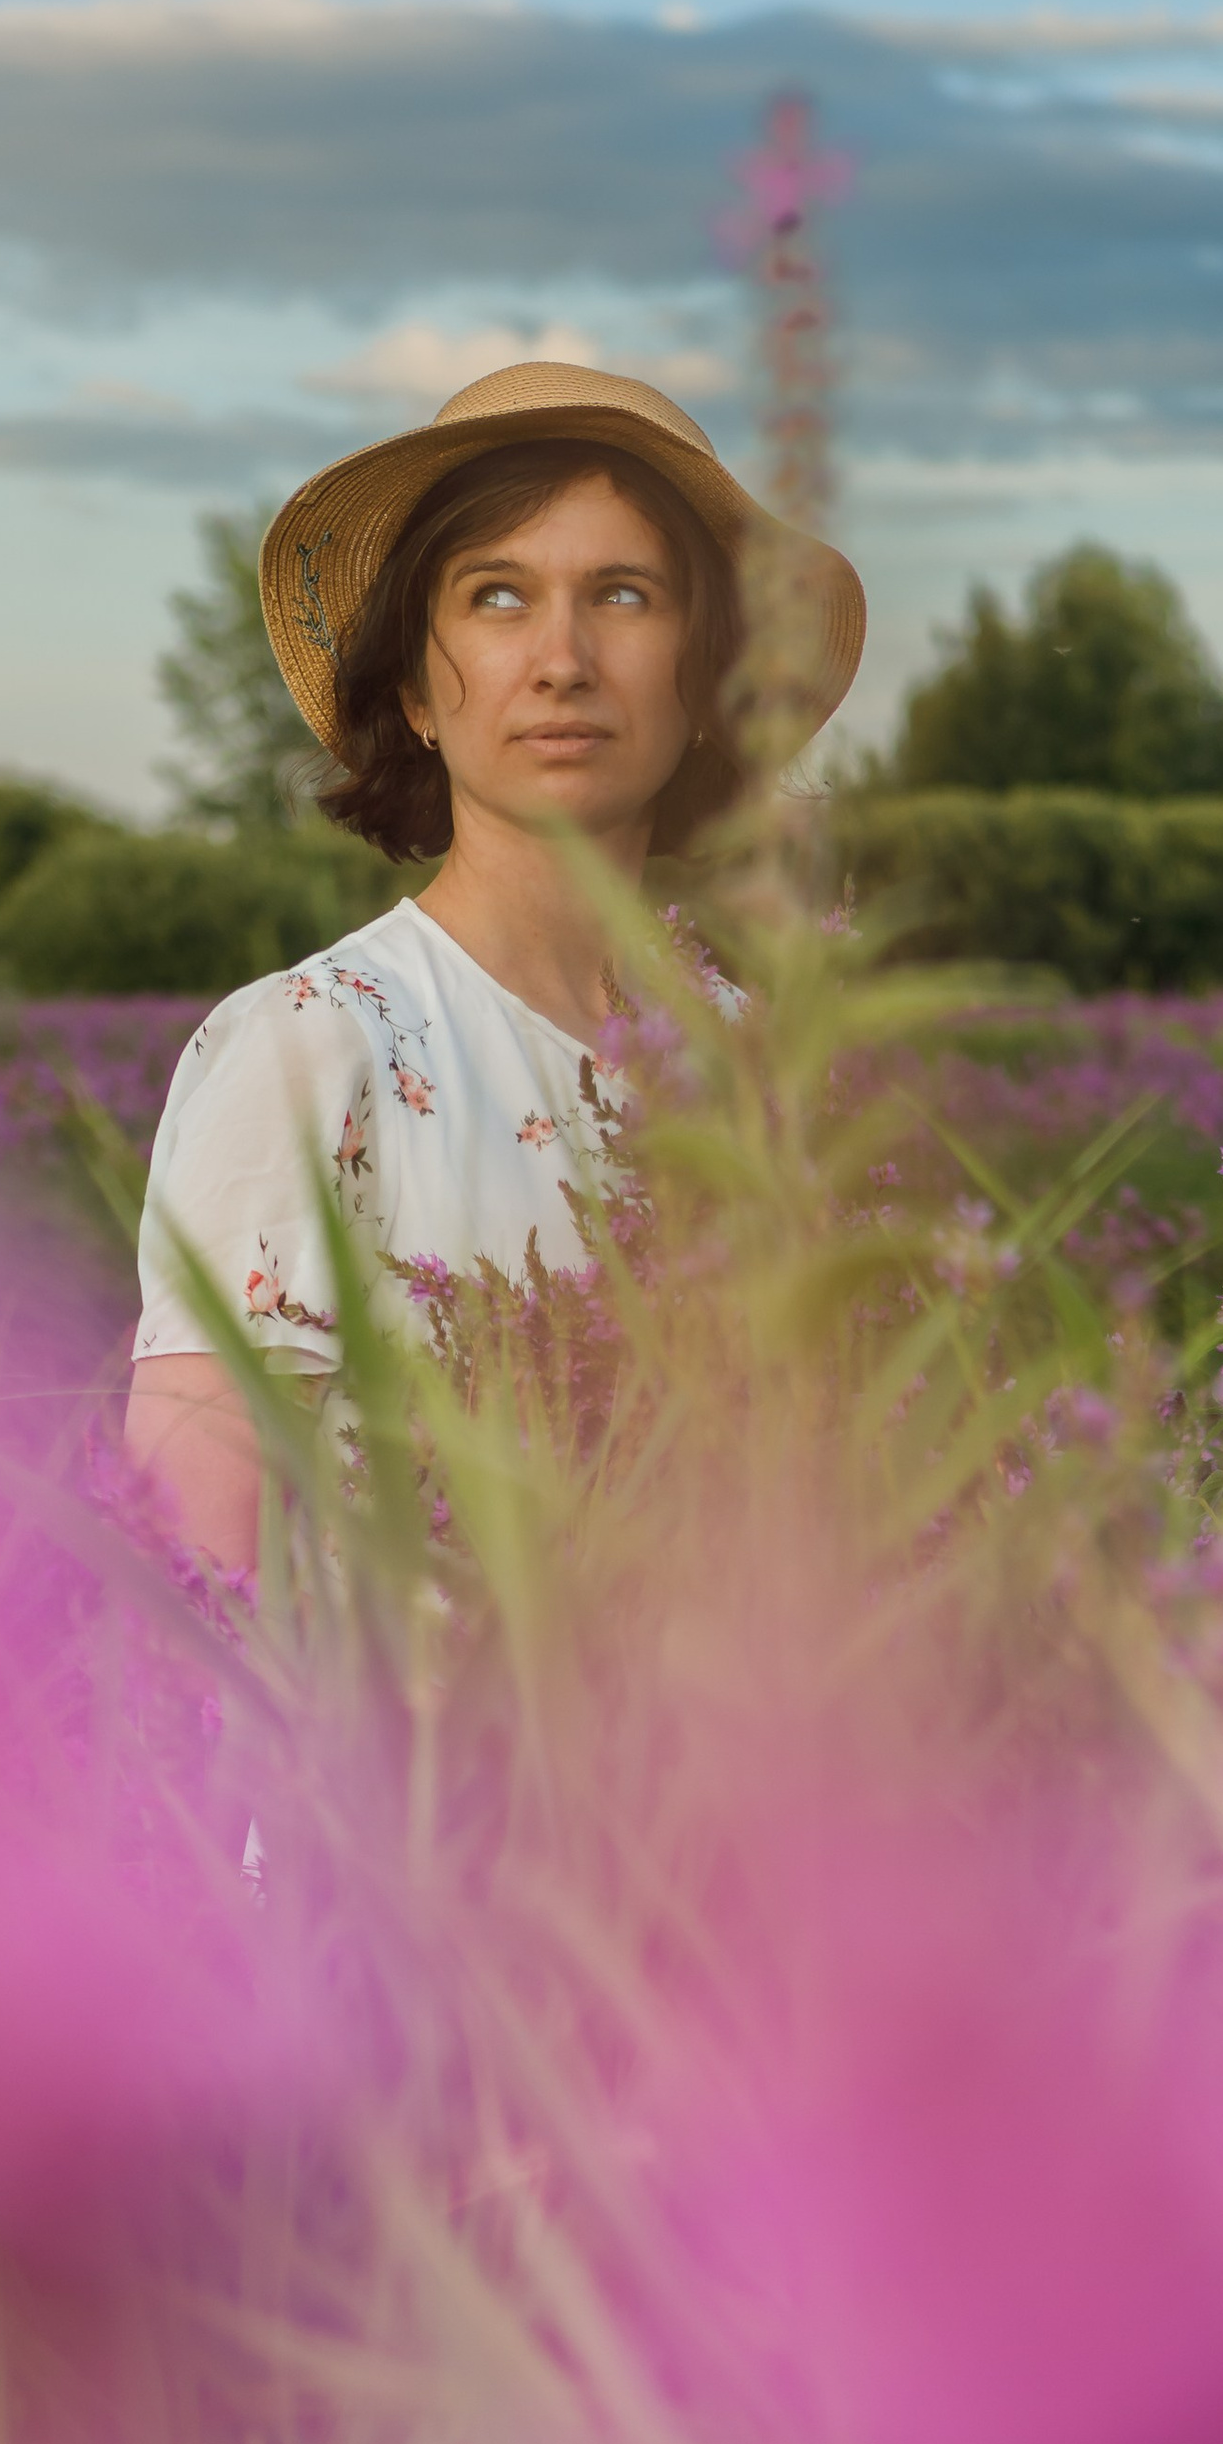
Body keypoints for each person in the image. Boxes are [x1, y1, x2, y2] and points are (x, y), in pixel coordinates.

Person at [123, 360, 865, 1575]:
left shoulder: (770, 1070)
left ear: (706, 681)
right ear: (416, 687)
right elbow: (189, 1600)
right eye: (498, 597)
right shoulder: (316, 1047)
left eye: (624, 596)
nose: (562, 659)